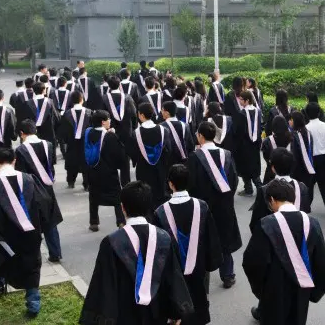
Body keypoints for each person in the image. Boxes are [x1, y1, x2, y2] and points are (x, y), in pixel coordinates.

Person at [79, 181, 194, 325]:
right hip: (157, 314)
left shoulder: (111, 242)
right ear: (148, 208)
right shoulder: (163, 238)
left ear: (123, 208)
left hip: (124, 315)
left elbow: (105, 286)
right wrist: (177, 312)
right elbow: (172, 277)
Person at [243, 179, 325, 325]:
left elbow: (253, 262)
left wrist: (261, 289)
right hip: (302, 287)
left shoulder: (266, 224)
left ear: (272, 200)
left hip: (274, 288)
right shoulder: (312, 223)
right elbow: (322, 259)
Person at [153, 165, 223, 325]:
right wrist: (211, 262)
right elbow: (211, 238)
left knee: (177, 305)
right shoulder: (202, 207)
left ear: (170, 184)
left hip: (174, 270)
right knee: (199, 299)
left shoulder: (160, 212)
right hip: (198, 267)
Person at [0, 148, 43, 317]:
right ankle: (33, 303)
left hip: (7, 235)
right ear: (14, 160)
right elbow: (41, 204)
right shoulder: (29, 179)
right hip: (30, 232)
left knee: (1, 259)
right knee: (32, 264)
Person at [187, 121, 242, 289]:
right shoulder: (227, 154)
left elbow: (191, 184)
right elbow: (233, 180)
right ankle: (228, 275)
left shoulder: (195, 157)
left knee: (204, 241)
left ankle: (204, 279)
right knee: (224, 239)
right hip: (224, 206)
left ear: (201, 137)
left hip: (203, 207)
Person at [14, 120, 63, 263]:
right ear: (35, 130)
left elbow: (21, 174)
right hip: (47, 188)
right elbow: (51, 165)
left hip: (31, 191)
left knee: (33, 223)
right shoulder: (48, 145)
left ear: (22, 134)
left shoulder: (21, 150)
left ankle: (33, 256)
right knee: (50, 222)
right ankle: (56, 253)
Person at [85, 110, 127, 232]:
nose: (110, 121)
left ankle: (93, 222)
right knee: (117, 197)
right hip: (109, 172)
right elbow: (119, 155)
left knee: (93, 196)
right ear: (103, 122)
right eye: (108, 119)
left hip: (93, 171)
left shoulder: (88, 133)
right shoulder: (110, 136)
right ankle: (120, 221)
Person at [251, 147, 311, 232]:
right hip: (299, 235)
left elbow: (256, 221)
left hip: (273, 236)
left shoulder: (265, 189)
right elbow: (306, 211)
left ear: (273, 168)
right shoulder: (302, 187)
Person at [128, 103, 173, 211]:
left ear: (141, 115)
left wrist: (136, 160)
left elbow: (133, 152)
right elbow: (168, 151)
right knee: (160, 194)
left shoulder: (136, 133)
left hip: (143, 169)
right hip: (160, 169)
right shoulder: (164, 131)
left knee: (145, 195)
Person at [103, 75, 138, 185]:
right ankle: (126, 184)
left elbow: (102, 116)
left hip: (110, 133)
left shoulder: (104, 98)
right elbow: (133, 115)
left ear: (108, 85)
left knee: (110, 158)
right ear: (120, 85)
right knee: (125, 161)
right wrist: (134, 128)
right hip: (126, 132)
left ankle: (112, 185)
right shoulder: (127, 98)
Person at [305, 103, 325, 218]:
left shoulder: (306, 128)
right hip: (324, 159)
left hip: (311, 160)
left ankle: (305, 208)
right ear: (319, 112)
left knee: (309, 185)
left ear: (306, 113)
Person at [57, 91, 91, 190]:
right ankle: (87, 184)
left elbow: (62, 131)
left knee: (71, 162)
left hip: (71, 143)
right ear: (82, 100)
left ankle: (71, 182)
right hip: (85, 143)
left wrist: (65, 141)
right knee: (86, 163)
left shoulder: (67, 114)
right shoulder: (89, 112)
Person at [235, 91, 263, 196]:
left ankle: (258, 189)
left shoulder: (242, 114)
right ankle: (250, 188)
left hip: (244, 145)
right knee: (254, 165)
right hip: (255, 144)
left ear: (247, 100)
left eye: (241, 99)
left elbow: (239, 132)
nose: (239, 101)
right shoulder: (258, 111)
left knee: (245, 166)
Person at [290, 111, 316, 203]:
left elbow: (294, 155)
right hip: (309, 167)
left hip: (297, 169)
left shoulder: (294, 136)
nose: (290, 121)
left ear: (295, 121)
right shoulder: (308, 133)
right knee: (307, 191)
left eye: (291, 119)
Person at [161, 101, 195, 166]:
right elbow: (190, 145)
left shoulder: (161, 127)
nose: (161, 112)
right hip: (183, 160)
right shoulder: (185, 125)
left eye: (162, 110)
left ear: (167, 113)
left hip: (167, 162)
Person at [261, 115, 292, 184]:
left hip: (271, 175)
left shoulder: (267, 141)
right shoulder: (292, 138)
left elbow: (266, 158)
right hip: (289, 175)